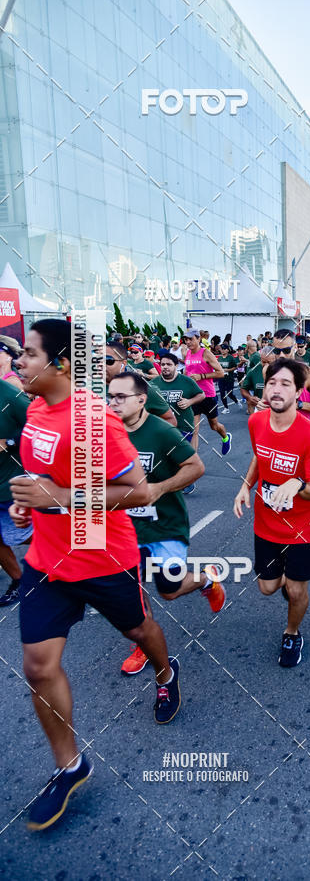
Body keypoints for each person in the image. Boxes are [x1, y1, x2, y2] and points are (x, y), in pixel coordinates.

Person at [10, 320, 181, 831]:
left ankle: (167, 674)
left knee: (138, 630)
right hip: (46, 561)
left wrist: (60, 500)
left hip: (104, 559)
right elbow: (46, 476)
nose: (19, 362)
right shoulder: (36, 409)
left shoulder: (93, 419)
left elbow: (140, 492)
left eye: (29, 355)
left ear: (60, 363)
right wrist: (32, 503)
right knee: (39, 667)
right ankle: (70, 765)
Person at [107, 371, 225, 675]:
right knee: (134, 585)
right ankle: (142, 644)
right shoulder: (108, 433)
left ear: (142, 400)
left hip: (165, 524)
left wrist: (159, 488)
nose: (114, 402)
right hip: (125, 527)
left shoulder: (161, 432)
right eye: (111, 396)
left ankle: (206, 579)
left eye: (121, 397)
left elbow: (195, 466)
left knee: (169, 590)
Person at [233, 358, 310, 667]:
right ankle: (285, 582)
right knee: (267, 587)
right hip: (266, 522)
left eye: (286, 384)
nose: (276, 389)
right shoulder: (256, 422)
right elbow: (260, 458)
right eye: (272, 383)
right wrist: (246, 485)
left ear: (300, 392)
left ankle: (292, 632)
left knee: (297, 589)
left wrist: (296, 483)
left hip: (302, 527)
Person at [0, 378, 33, 606]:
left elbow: (40, 427)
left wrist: (8, 441)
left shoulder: (9, 395)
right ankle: (20, 582)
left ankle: (76, 548)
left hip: (10, 483)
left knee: (25, 532)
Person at [182, 330, 232, 456]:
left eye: (190, 339)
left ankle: (226, 438)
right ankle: (193, 462)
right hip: (193, 396)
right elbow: (187, 372)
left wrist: (201, 376)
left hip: (208, 396)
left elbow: (220, 372)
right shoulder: (187, 353)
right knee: (194, 430)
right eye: (186, 340)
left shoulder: (206, 353)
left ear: (198, 339)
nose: (188, 342)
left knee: (214, 426)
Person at [105, 342, 176, 426]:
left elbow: (170, 420)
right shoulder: (90, 388)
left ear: (123, 364)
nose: (100, 364)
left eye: (108, 360)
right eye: (96, 359)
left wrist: (144, 375)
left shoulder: (146, 387)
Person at [269, 329, 310, 418]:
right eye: (277, 351)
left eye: (286, 350)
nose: (281, 355)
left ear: (295, 347)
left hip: (300, 430)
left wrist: (299, 405)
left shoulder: (308, 373)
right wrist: (260, 404)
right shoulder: (269, 371)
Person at [240, 346, 276, 415]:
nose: (266, 365)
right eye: (263, 362)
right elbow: (243, 389)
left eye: (269, 362)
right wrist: (250, 397)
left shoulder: (283, 371)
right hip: (261, 410)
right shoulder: (253, 371)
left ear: (275, 359)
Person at [217, 344, 242, 413]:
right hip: (221, 378)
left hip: (229, 378)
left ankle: (236, 401)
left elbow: (235, 367)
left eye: (224, 349)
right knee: (222, 393)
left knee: (229, 393)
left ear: (227, 350)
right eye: (221, 349)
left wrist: (227, 370)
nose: (222, 350)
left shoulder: (230, 358)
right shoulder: (219, 358)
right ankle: (226, 408)